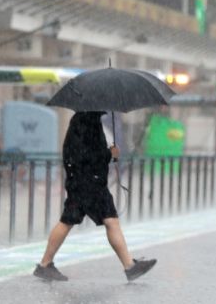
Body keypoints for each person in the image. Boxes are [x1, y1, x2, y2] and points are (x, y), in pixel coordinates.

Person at [34, 111, 157, 282]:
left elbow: (79, 153)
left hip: (82, 182)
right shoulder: (87, 120)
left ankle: (45, 264)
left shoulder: (82, 120)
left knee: (69, 221)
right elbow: (86, 155)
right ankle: (130, 267)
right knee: (109, 220)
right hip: (90, 184)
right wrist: (109, 154)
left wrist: (106, 154)